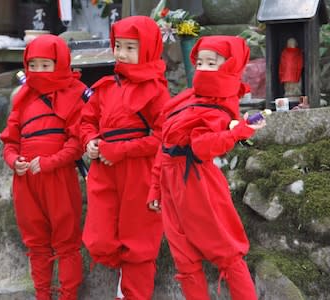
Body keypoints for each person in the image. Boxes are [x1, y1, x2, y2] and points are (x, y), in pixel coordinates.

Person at [148, 36, 265, 299]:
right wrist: (155, 189)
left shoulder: (222, 105)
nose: (202, 68)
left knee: (227, 253)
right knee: (185, 261)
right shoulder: (186, 99)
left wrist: (238, 132)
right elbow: (164, 146)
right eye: (199, 62)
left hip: (199, 184)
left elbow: (203, 147)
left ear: (228, 67)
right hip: (172, 184)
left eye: (211, 63)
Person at [80, 15, 168, 300]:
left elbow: (162, 137)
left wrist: (120, 150)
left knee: (139, 241)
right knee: (99, 237)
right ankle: (124, 282)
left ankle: (132, 294)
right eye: (119, 46)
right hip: (104, 170)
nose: (122, 53)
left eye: (131, 47)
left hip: (140, 171)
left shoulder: (157, 91)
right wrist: (90, 140)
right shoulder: (106, 86)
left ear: (149, 49)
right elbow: (87, 120)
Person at [0, 34, 86, 300]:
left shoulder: (75, 95)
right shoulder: (22, 98)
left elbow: (78, 141)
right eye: (33, 65)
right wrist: (15, 161)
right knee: (36, 244)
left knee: (66, 243)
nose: (38, 72)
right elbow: (10, 141)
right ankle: (42, 295)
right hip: (25, 180)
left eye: (45, 65)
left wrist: (52, 162)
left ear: (59, 64)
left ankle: (68, 295)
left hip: (59, 177)